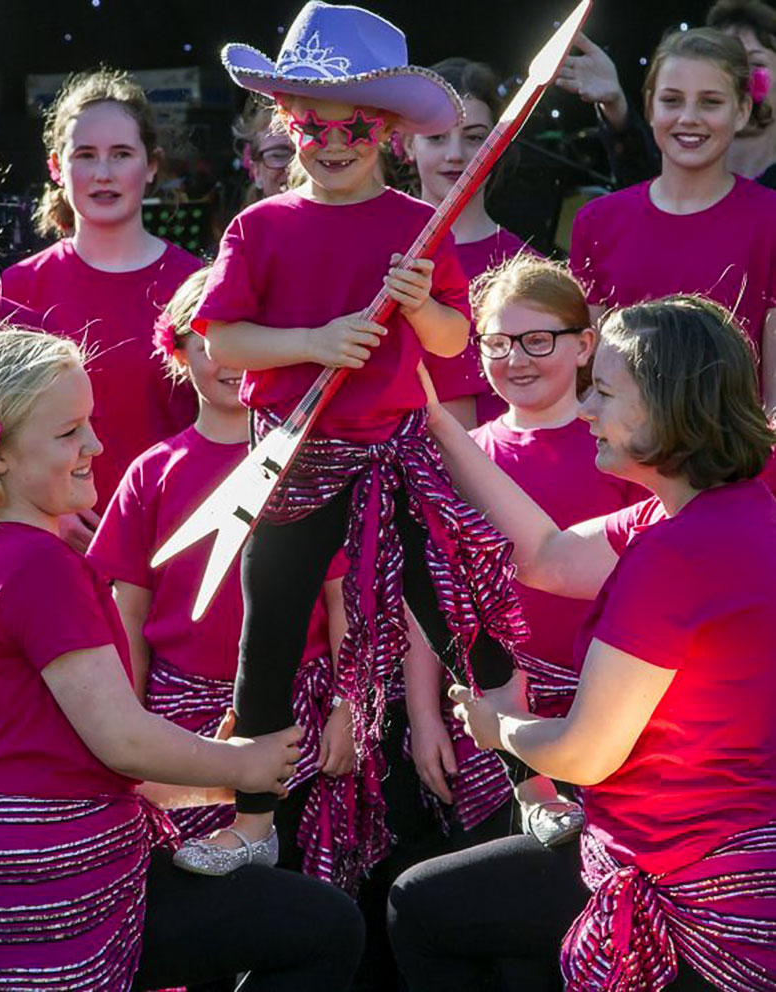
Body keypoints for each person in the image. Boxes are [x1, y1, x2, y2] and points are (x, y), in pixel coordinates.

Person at [173, 0, 526, 875]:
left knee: (462, 612)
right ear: (288, 126)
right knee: (270, 630)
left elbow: (454, 342)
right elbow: (222, 339)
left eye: (355, 128)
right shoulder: (257, 226)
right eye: (313, 126)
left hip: (399, 453)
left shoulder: (419, 225)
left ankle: (535, 783)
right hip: (292, 458)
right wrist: (316, 343)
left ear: (389, 134)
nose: (332, 143)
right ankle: (253, 818)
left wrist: (417, 304)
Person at [388, 294, 776, 991]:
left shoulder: (677, 552)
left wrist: (497, 724)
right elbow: (546, 556)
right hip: (692, 848)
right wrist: (438, 425)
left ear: (668, 403)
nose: (586, 410)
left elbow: (585, 755)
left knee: (419, 907)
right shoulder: (715, 510)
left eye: (602, 391)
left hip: (688, 882)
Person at [0, 325, 364, 992]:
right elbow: (120, 740)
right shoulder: (39, 564)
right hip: (57, 885)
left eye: (90, 424)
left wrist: (211, 785)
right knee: (325, 928)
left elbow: (50, 749)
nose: (94, 445)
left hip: (26, 873)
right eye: (69, 432)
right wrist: (240, 763)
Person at [87, 268, 388, 893]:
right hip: (178, 719)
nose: (229, 359)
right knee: (193, 883)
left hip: (292, 717)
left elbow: (343, 602)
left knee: (293, 889)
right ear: (177, 349)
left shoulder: (307, 465)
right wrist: (131, 721)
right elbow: (130, 615)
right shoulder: (153, 471)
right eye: (210, 340)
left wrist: (346, 709)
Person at [408, 255, 645, 849]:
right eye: (497, 342)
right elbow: (432, 595)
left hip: (610, 712)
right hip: (491, 713)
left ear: (585, 344)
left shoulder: (621, 450)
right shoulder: (462, 455)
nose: (515, 358)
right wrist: (425, 715)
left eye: (537, 340)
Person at [0, 67, 200, 527]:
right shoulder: (21, 287)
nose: (103, 173)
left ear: (151, 166)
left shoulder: (197, 284)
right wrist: (53, 513)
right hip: (51, 535)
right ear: (55, 167)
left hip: (174, 531)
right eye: (85, 155)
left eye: (121, 154)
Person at [569, 27, 776, 411]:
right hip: (622, 460)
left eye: (710, 102)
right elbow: (586, 377)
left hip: (732, 461)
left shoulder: (770, 220)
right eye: (672, 100)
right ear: (649, 107)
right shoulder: (597, 221)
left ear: (742, 110)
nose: (689, 117)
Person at [405, 58, 531, 429]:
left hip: (494, 472)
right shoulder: (373, 251)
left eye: (475, 137)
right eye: (436, 137)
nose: (456, 154)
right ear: (408, 145)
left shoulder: (525, 267)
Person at [558, 1, 776, 189]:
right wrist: (614, 103)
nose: (741, 78)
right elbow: (644, 183)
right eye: (729, 65)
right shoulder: (687, 163)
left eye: (756, 63)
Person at [233, 99, 294, 206]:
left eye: (311, 153)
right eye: (279, 155)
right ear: (256, 170)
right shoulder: (244, 222)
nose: (297, 166)